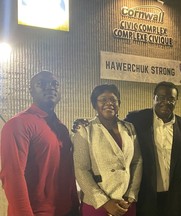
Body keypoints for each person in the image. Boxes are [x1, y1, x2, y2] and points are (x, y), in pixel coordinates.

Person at [0, 71, 79, 216]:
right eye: (41, 84)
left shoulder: (61, 128)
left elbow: (67, 171)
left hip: (67, 210)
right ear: (31, 91)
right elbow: (12, 176)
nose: (50, 87)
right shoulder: (18, 124)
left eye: (55, 84)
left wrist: (75, 205)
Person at [125, 81, 181, 216]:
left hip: (176, 197)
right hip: (145, 196)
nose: (165, 102)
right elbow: (115, 128)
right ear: (153, 98)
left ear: (176, 101)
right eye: (161, 97)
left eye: (171, 99)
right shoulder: (136, 120)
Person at [72, 84, 142, 216]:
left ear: (119, 103)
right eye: (103, 99)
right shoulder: (84, 130)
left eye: (113, 100)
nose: (109, 103)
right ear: (94, 104)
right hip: (97, 205)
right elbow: (81, 169)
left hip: (125, 204)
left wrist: (130, 196)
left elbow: (137, 161)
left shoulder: (129, 128)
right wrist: (104, 202)